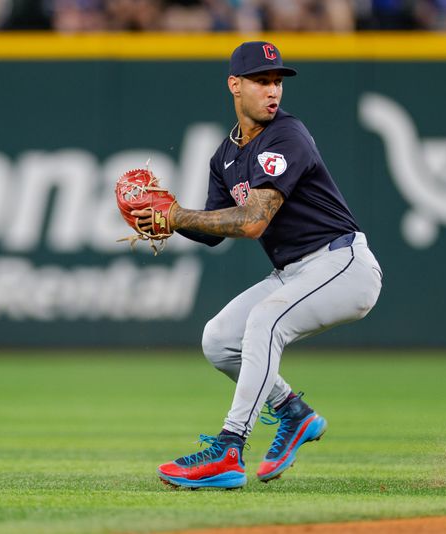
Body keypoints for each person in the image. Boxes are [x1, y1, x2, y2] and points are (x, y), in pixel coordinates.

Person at [135, 41, 383, 489]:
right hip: (293, 272)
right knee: (219, 339)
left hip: (344, 264)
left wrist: (175, 214)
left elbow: (252, 222)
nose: (274, 91)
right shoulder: (224, 157)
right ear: (235, 85)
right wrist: (167, 220)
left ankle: (230, 449)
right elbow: (212, 231)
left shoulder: (287, 135)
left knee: (266, 321)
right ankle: (292, 412)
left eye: (277, 82)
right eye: (261, 81)